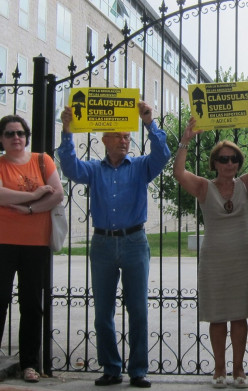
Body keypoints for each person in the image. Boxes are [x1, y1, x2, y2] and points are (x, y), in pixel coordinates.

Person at [57, 101, 170, 388]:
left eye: (127, 137)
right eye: (118, 136)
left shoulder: (142, 166)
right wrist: (67, 130)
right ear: (105, 140)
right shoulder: (94, 169)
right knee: (103, 311)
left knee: (138, 309)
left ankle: (139, 370)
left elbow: (162, 154)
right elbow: (69, 167)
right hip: (103, 244)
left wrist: (149, 123)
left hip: (134, 242)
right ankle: (111, 367)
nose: (124, 140)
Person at [173, 116, 248, 389]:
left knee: (239, 315)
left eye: (234, 159)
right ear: (214, 163)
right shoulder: (204, 187)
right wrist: (185, 140)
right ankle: (219, 368)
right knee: (218, 315)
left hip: (242, 256)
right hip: (214, 259)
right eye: (224, 159)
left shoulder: (246, 184)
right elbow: (178, 173)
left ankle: (239, 368)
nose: (229, 164)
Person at [0, 115, 64, 384]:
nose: (16, 138)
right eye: (9, 133)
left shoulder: (42, 161)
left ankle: (29, 363)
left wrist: (30, 209)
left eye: (20, 133)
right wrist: (34, 195)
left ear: (26, 136)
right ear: (0, 138)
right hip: (2, 240)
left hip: (36, 242)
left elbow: (57, 194)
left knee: (32, 303)